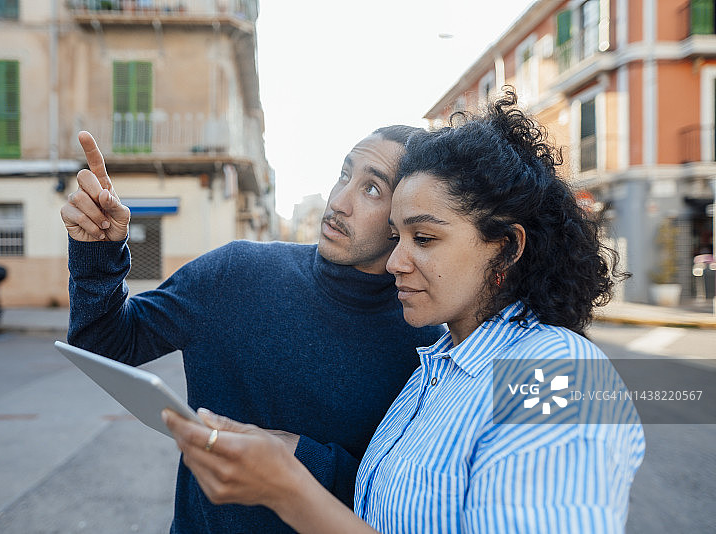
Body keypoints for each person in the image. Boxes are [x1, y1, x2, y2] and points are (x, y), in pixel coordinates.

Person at [162, 89, 646, 533]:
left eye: (425, 238)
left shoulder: (558, 374)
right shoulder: (434, 369)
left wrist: (288, 490)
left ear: (508, 248)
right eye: (397, 236)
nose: (395, 261)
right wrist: (284, 454)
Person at [60, 126, 446, 533]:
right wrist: (97, 250)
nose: (338, 202)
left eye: (371, 189)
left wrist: (303, 459)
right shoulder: (234, 272)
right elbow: (102, 344)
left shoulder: (427, 345)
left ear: (404, 213)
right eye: (344, 175)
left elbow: (408, 497)